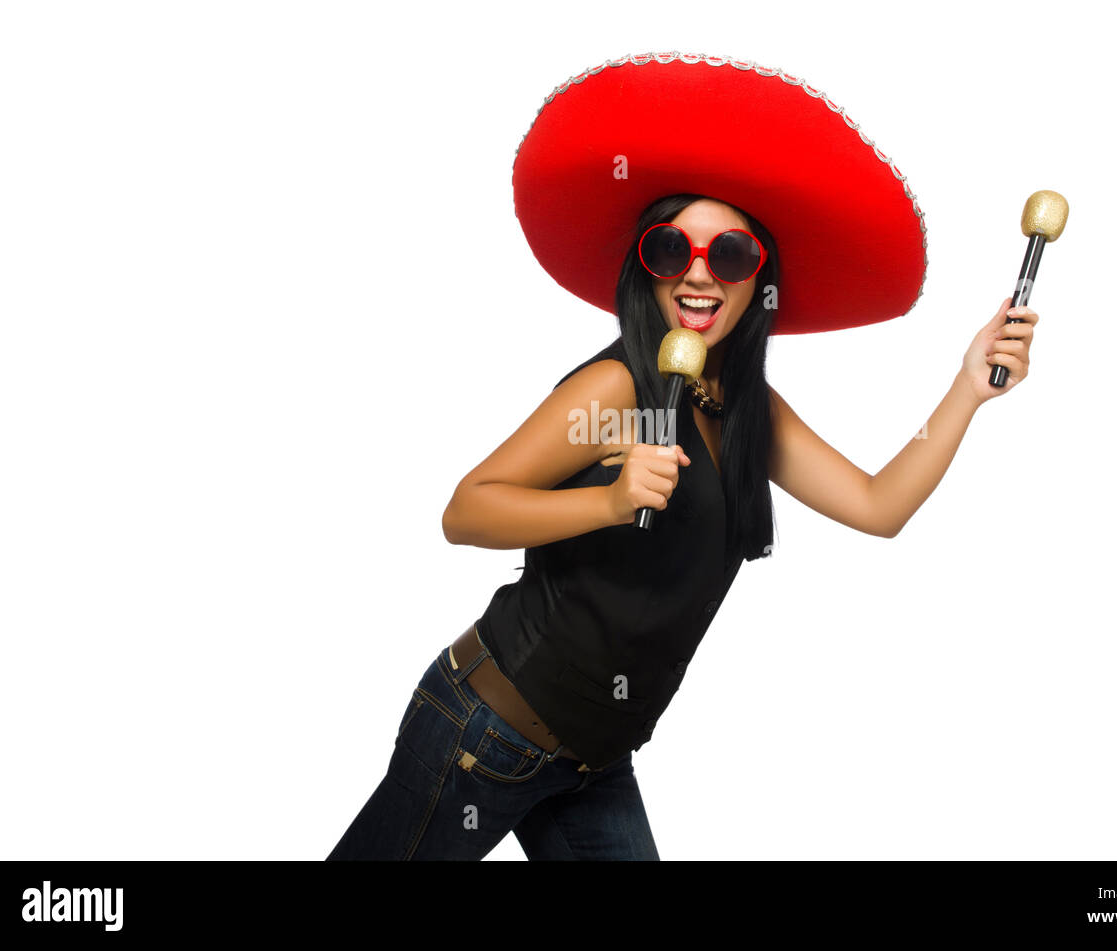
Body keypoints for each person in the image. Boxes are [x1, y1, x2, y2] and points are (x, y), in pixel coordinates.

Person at [326, 52, 1038, 861]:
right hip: (484, 731)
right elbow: (467, 508)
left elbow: (879, 506)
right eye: (674, 250)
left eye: (729, 255)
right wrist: (605, 497)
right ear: (647, 266)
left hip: (592, 761)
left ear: (757, 278)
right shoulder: (613, 388)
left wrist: (966, 389)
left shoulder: (745, 410)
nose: (700, 276)